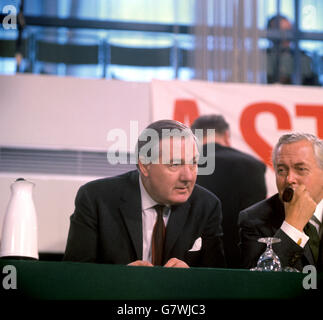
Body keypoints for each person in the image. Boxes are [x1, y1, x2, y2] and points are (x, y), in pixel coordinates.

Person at [64, 119, 226, 268]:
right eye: (175, 164)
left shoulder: (207, 206)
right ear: (144, 166)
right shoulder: (96, 198)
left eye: (193, 163)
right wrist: (117, 281)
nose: (188, 177)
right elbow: (74, 277)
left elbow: (218, 284)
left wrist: (191, 280)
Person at [191, 115, 267, 268]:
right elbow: (259, 219)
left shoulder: (187, 165)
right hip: (243, 261)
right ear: (226, 135)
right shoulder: (254, 165)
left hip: (194, 263)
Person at [239, 133, 323, 271]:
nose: (289, 179)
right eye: (281, 170)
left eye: (300, 169)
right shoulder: (254, 220)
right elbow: (257, 285)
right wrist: (292, 227)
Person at [266, 15, 318, 85]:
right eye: (283, 31)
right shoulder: (263, 57)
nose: (287, 35)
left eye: (289, 30)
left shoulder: (303, 58)